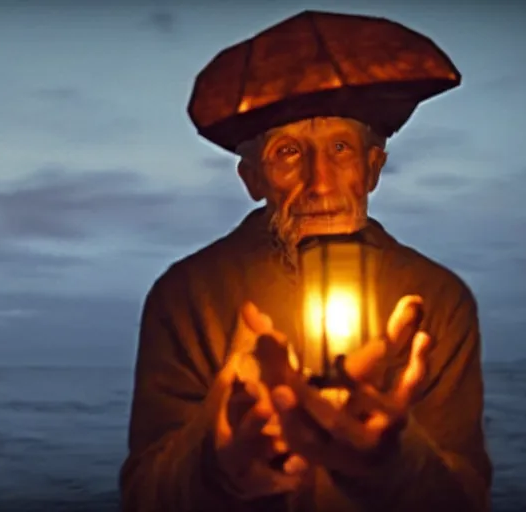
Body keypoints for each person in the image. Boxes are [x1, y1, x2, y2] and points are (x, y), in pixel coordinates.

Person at [119, 13, 492, 512]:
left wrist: (393, 462)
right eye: (289, 152)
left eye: (340, 148)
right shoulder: (189, 296)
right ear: (252, 179)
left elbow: (466, 499)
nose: (320, 183)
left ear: (373, 167)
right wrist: (217, 462)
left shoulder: (437, 299)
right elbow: (144, 495)